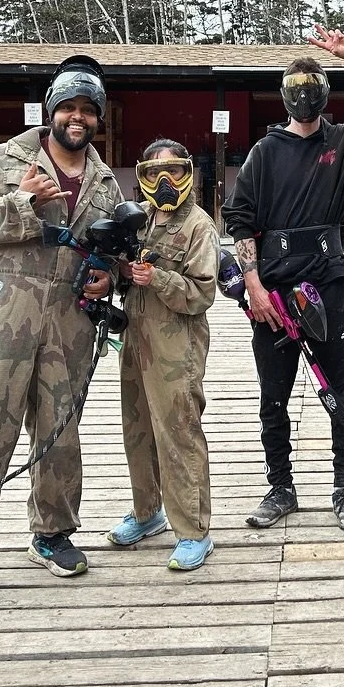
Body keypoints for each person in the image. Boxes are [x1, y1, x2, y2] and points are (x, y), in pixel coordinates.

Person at [0, 55, 121, 616]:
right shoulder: (6, 160)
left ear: (97, 119)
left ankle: (52, 532)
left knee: (60, 434)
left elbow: (102, 250)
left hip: (69, 322)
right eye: (68, 108)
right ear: (52, 111)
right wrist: (21, 204)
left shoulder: (105, 183)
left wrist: (106, 274)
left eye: (88, 110)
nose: (77, 118)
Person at [222, 24, 344, 532]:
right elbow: (238, 218)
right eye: (296, 90)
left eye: (313, 89)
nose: (305, 98)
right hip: (274, 294)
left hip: (326, 286)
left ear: (325, 95)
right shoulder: (265, 152)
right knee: (273, 395)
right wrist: (254, 286)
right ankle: (280, 487)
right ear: (284, 97)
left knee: (340, 390)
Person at [106, 139, 219, 571]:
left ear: (188, 173)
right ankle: (147, 511)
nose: (166, 181)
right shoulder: (143, 219)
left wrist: (158, 278)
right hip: (136, 339)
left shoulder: (198, 226)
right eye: (155, 174)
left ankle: (193, 531)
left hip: (176, 345)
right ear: (143, 177)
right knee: (138, 429)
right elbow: (129, 278)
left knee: (178, 432)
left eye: (173, 171)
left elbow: (202, 294)